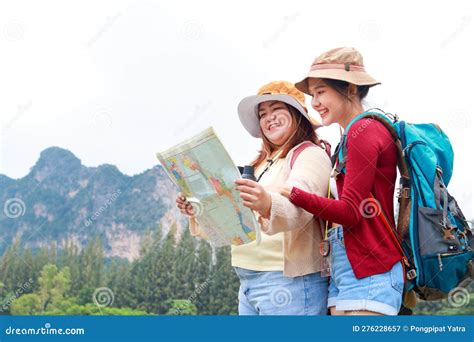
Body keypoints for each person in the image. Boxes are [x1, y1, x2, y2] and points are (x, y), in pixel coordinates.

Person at [176, 80, 332, 315]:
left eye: (277, 109)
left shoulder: (309, 154)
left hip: (289, 284)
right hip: (247, 279)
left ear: (298, 114)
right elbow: (234, 224)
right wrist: (198, 209)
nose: (269, 117)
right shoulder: (257, 166)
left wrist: (268, 203)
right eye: (263, 113)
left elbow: (301, 203)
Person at [278, 47, 404, 316]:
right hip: (346, 268)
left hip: (371, 270)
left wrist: (295, 194)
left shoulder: (364, 132)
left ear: (350, 89)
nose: (314, 103)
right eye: (312, 94)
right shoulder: (348, 139)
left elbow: (351, 212)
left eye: (321, 91)